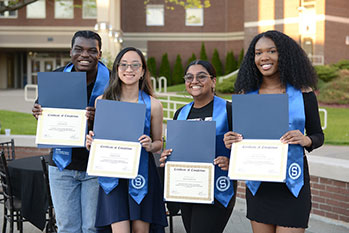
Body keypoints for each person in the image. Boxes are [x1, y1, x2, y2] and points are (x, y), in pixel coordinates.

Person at [223, 30, 324, 233]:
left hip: (292, 184)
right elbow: (239, 141)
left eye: (271, 51)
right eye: (258, 53)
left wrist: (306, 140)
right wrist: (230, 140)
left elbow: (318, 136)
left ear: (284, 55)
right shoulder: (246, 97)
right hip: (260, 185)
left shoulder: (303, 95)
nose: (264, 57)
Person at [32, 30, 110, 233]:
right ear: (71, 52)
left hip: (96, 166)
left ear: (100, 54)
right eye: (79, 49)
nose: (85, 55)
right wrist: (38, 111)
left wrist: (100, 119)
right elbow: (43, 108)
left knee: (92, 228)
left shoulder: (111, 82)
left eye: (92, 50)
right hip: (61, 165)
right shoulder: (58, 77)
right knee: (67, 227)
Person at [85, 47, 167, 233]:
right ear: (117, 68)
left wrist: (150, 145)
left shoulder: (153, 105)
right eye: (124, 64)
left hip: (142, 176)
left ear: (142, 71)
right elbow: (99, 141)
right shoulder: (103, 102)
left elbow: (158, 143)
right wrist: (91, 143)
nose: (129, 69)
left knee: (140, 230)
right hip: (112, 176)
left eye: (135, 65)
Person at [159, 60, 237, 233]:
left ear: (213, 81)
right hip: (188, 188)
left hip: (217, 189)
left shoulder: (229, 110)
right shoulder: (180, 113)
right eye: (189, 77)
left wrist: (232, 161)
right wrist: (168, 156)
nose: (194, 81)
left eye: (201, 76)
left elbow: (246, 147)